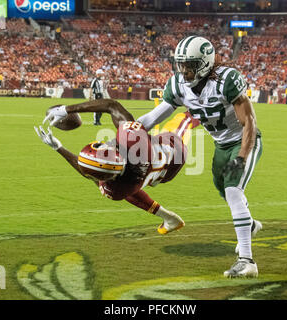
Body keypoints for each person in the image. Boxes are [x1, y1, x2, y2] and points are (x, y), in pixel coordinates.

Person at [136, 36, 263, 278]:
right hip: (221, 145)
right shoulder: (178, 85)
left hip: (244, 140)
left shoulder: (226, 81)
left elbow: (250, 122)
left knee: (234, 191)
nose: (183, 70)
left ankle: (247, 261)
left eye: (189, 65)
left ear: (204, 64)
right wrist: (129, 132)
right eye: (180, 64)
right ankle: (250, 225)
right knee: (224, 191)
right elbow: (152, 118)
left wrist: (243, 156)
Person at [36, 98, 200, 235]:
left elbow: (91, 174)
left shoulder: (115, 188)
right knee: (183, 119)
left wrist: (58, 148)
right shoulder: (133, 143)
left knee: (125, 192)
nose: (104, 144)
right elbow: (111, 106)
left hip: (156, 177)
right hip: (173, 152)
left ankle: (169, 218)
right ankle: (209, 107)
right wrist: (66, 109)